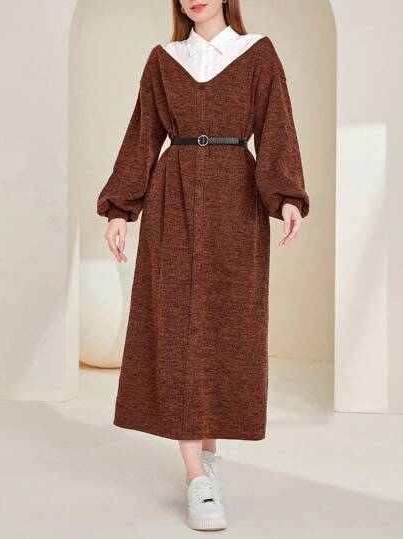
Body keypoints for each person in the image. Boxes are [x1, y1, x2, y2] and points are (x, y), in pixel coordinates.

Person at [96, 0, 310, 531]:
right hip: (173, 202)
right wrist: (120, 209)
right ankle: (196, 475)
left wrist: (286, 197)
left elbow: (277, 128)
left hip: (237, 204)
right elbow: (143, 134)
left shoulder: (257, 53)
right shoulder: (164, 60)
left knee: (222, 331)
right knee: (177, 330)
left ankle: (207, 455)